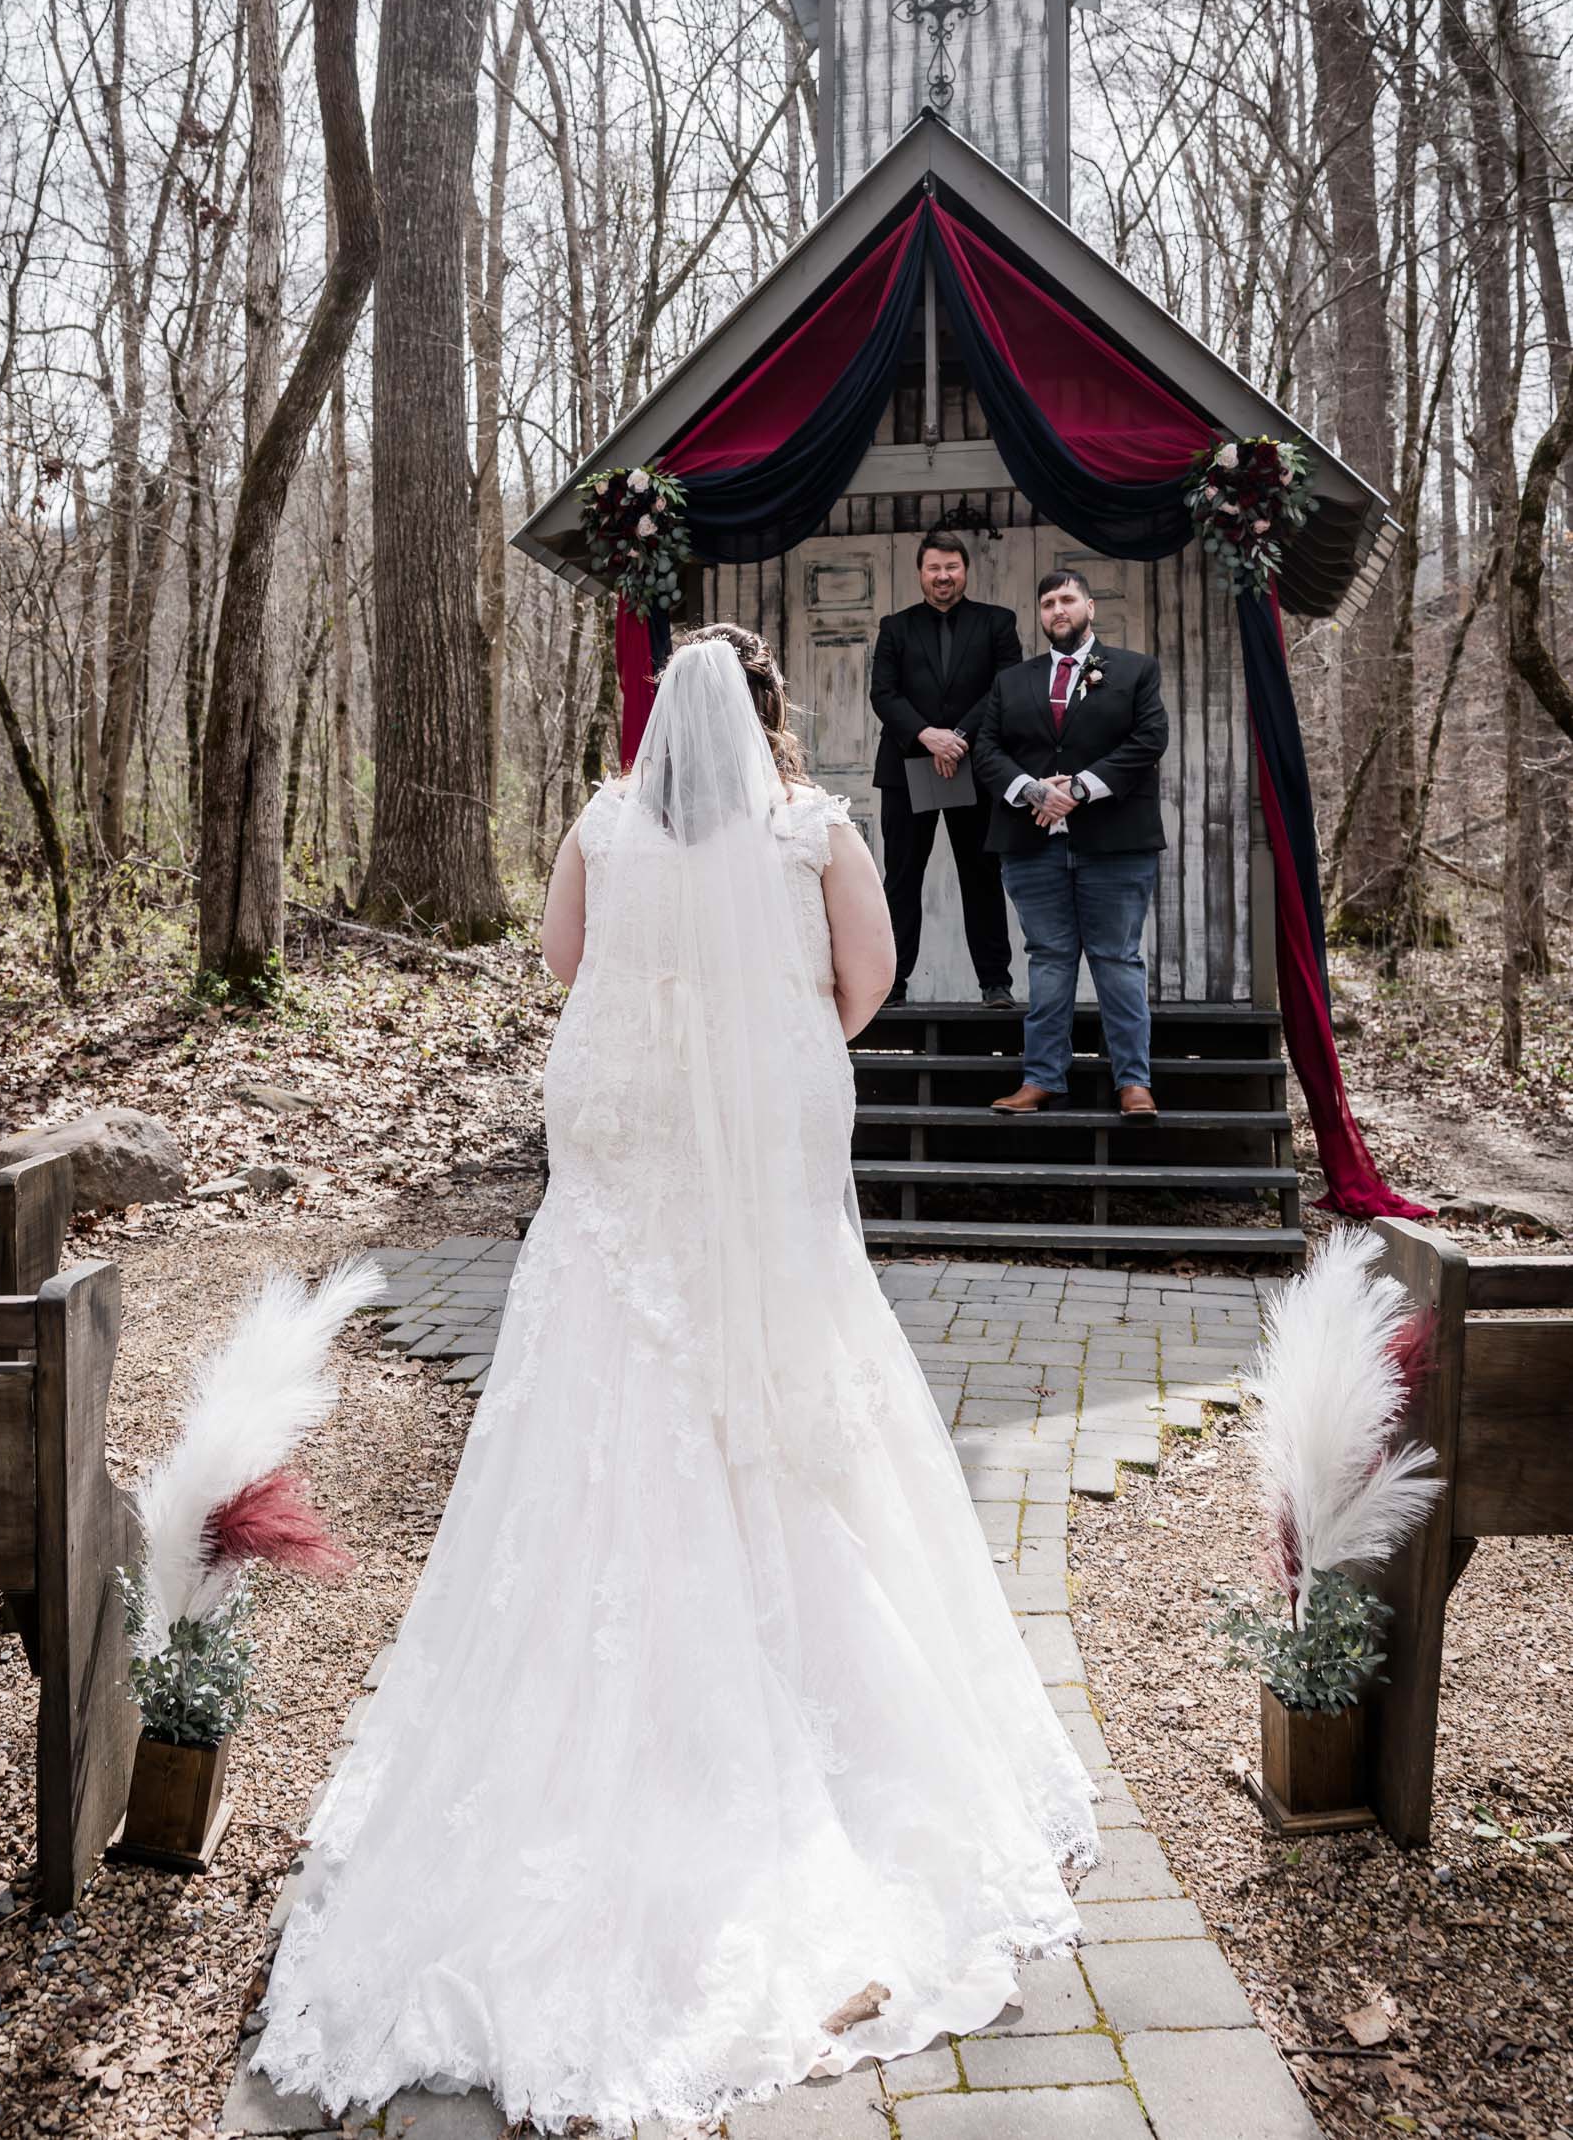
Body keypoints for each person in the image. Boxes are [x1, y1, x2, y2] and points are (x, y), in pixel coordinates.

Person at [252, 626, 1099, 2133]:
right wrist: (762, 1052)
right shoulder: (813, 826)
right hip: (746, 1167)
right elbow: (871, 977)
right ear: (770, 717)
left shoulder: (598, 823)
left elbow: (569, 962)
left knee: (598, 1388)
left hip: (617, 1156)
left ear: (657, 731)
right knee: (773, 1393)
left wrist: (682, 1037)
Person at [972, 570, 1168, 1118]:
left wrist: (1081, 788)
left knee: (1117, 960)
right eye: (1048, 603)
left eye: (1067, 599)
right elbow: (987, 749)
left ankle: (1133, 1082)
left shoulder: (1134, 670)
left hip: (1116, 844)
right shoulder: (1013, 681)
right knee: (1049, 961)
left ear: (1089, 607)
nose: (1058, 609)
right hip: (1032, 847)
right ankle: (1042, 1078)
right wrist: (1031, 789)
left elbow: (1149, 739)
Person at [869, 531, 1023, 1005]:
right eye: (934, 568)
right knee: (901, 877)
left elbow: (1006, 686)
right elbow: (883, 694)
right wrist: (926, 735)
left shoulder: (997, 622)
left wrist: (957, 738)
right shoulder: (895, 627)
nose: (943, 576)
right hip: (907, 767)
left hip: (973, 766)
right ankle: (892, 983)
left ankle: (995, 983)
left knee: (981, 874)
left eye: (951, 567)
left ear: (965, 571)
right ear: (920, 573)